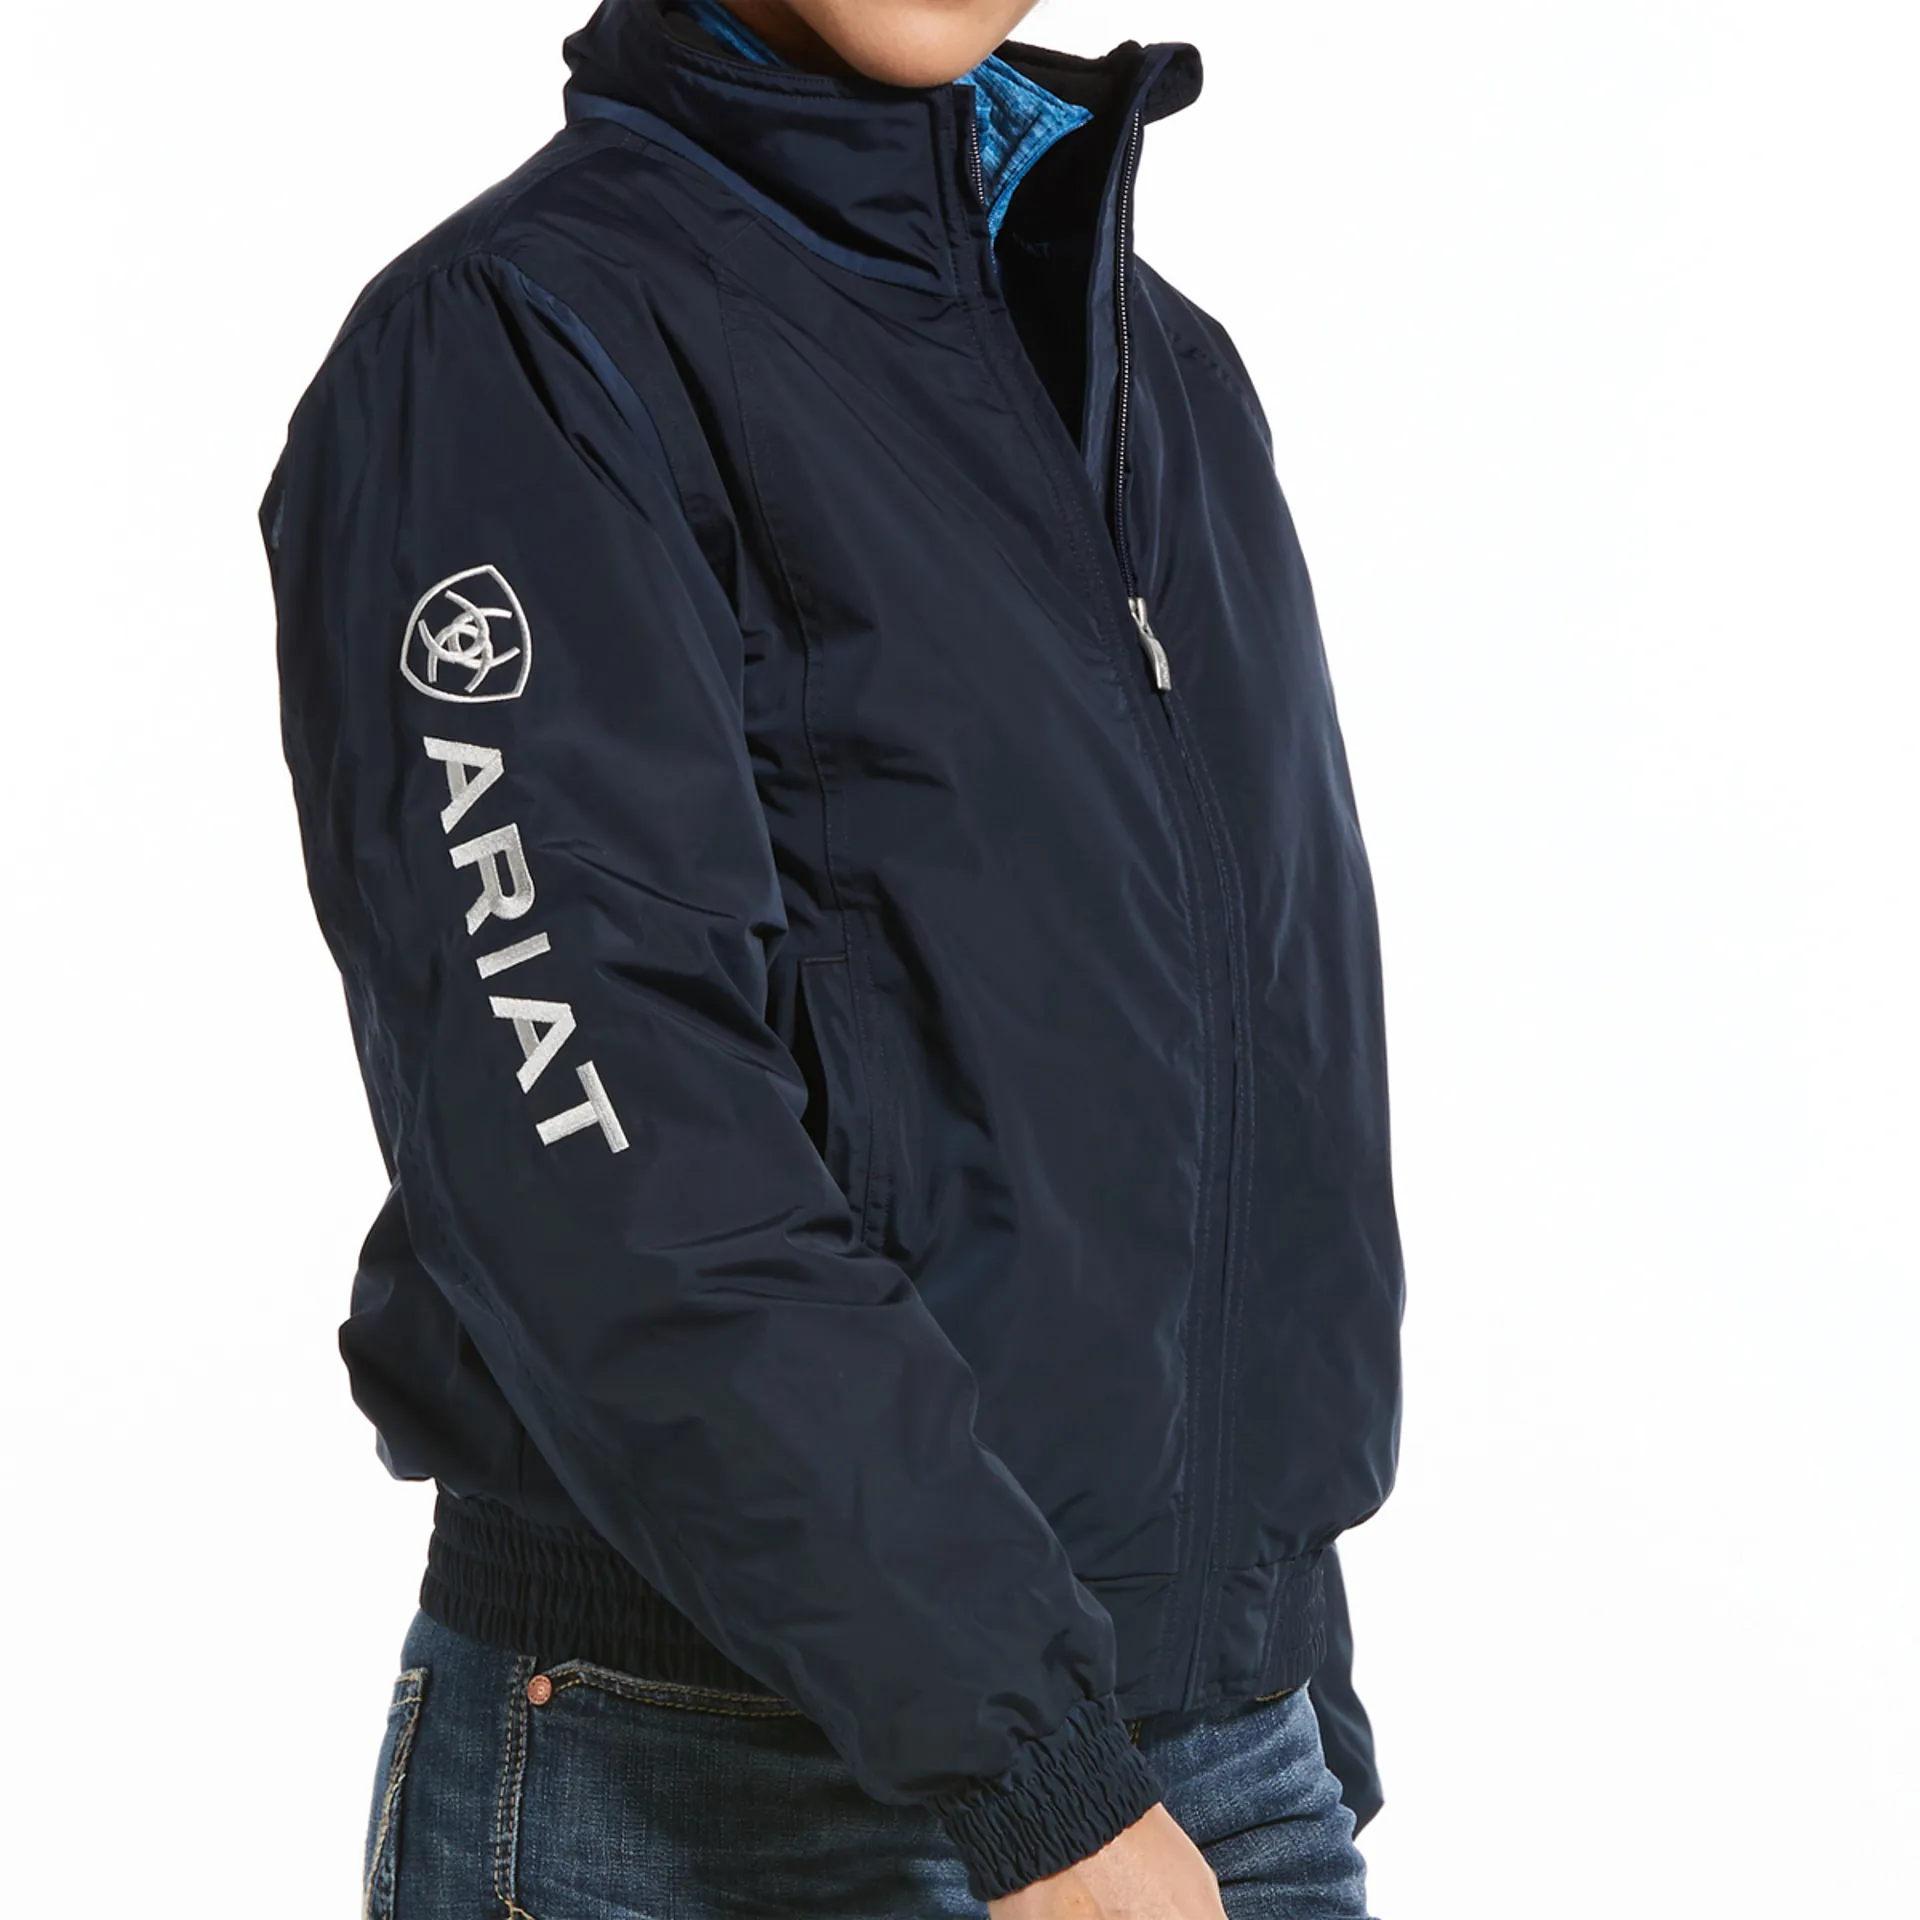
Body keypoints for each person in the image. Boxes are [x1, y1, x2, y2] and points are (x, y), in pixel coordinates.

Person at [259, 0, 1406, 1913]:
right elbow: (602, 1156)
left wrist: (1286, 1677)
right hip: (719, 1778)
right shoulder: (520, 344)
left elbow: (1261, 1071)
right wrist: (1040, 1783)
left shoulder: (1162, 371)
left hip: (1219, 1773)